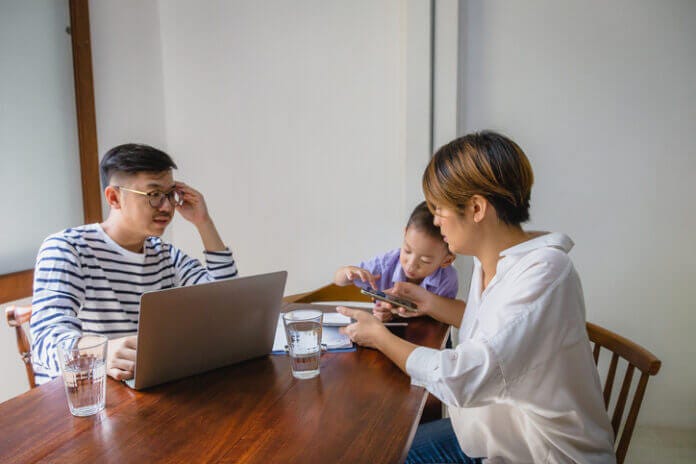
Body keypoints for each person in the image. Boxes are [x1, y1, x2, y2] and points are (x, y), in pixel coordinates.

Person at [338, 132, 616, 463]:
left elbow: (463, 378)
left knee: (374, 451)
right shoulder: (493, 262)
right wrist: (425, 301)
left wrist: (379, 337)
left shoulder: (546, 272)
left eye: (438, 208)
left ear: (476, 208)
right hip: (489, 436)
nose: (436, 220)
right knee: (373, 447)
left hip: (539, 453)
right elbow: (492, 326)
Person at [30, 144, 238, 384]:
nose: (167, 206)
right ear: (114, 197)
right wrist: (102, 352)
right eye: (154, 195)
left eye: (171, 194)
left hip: (148, 391)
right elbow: (45, 341)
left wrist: (203, 222)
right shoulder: (68, 248)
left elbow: (227, 306)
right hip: (86, 398)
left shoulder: (165, 255)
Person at [333, 201, 458, 322]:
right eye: (407, 251)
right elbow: (338, 280)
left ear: (446, 260)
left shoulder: (447, 279)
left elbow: (443, 319)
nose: (411, 264)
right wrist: (348, 272)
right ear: (405, 234)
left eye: (425, 260)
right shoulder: (386, 263)